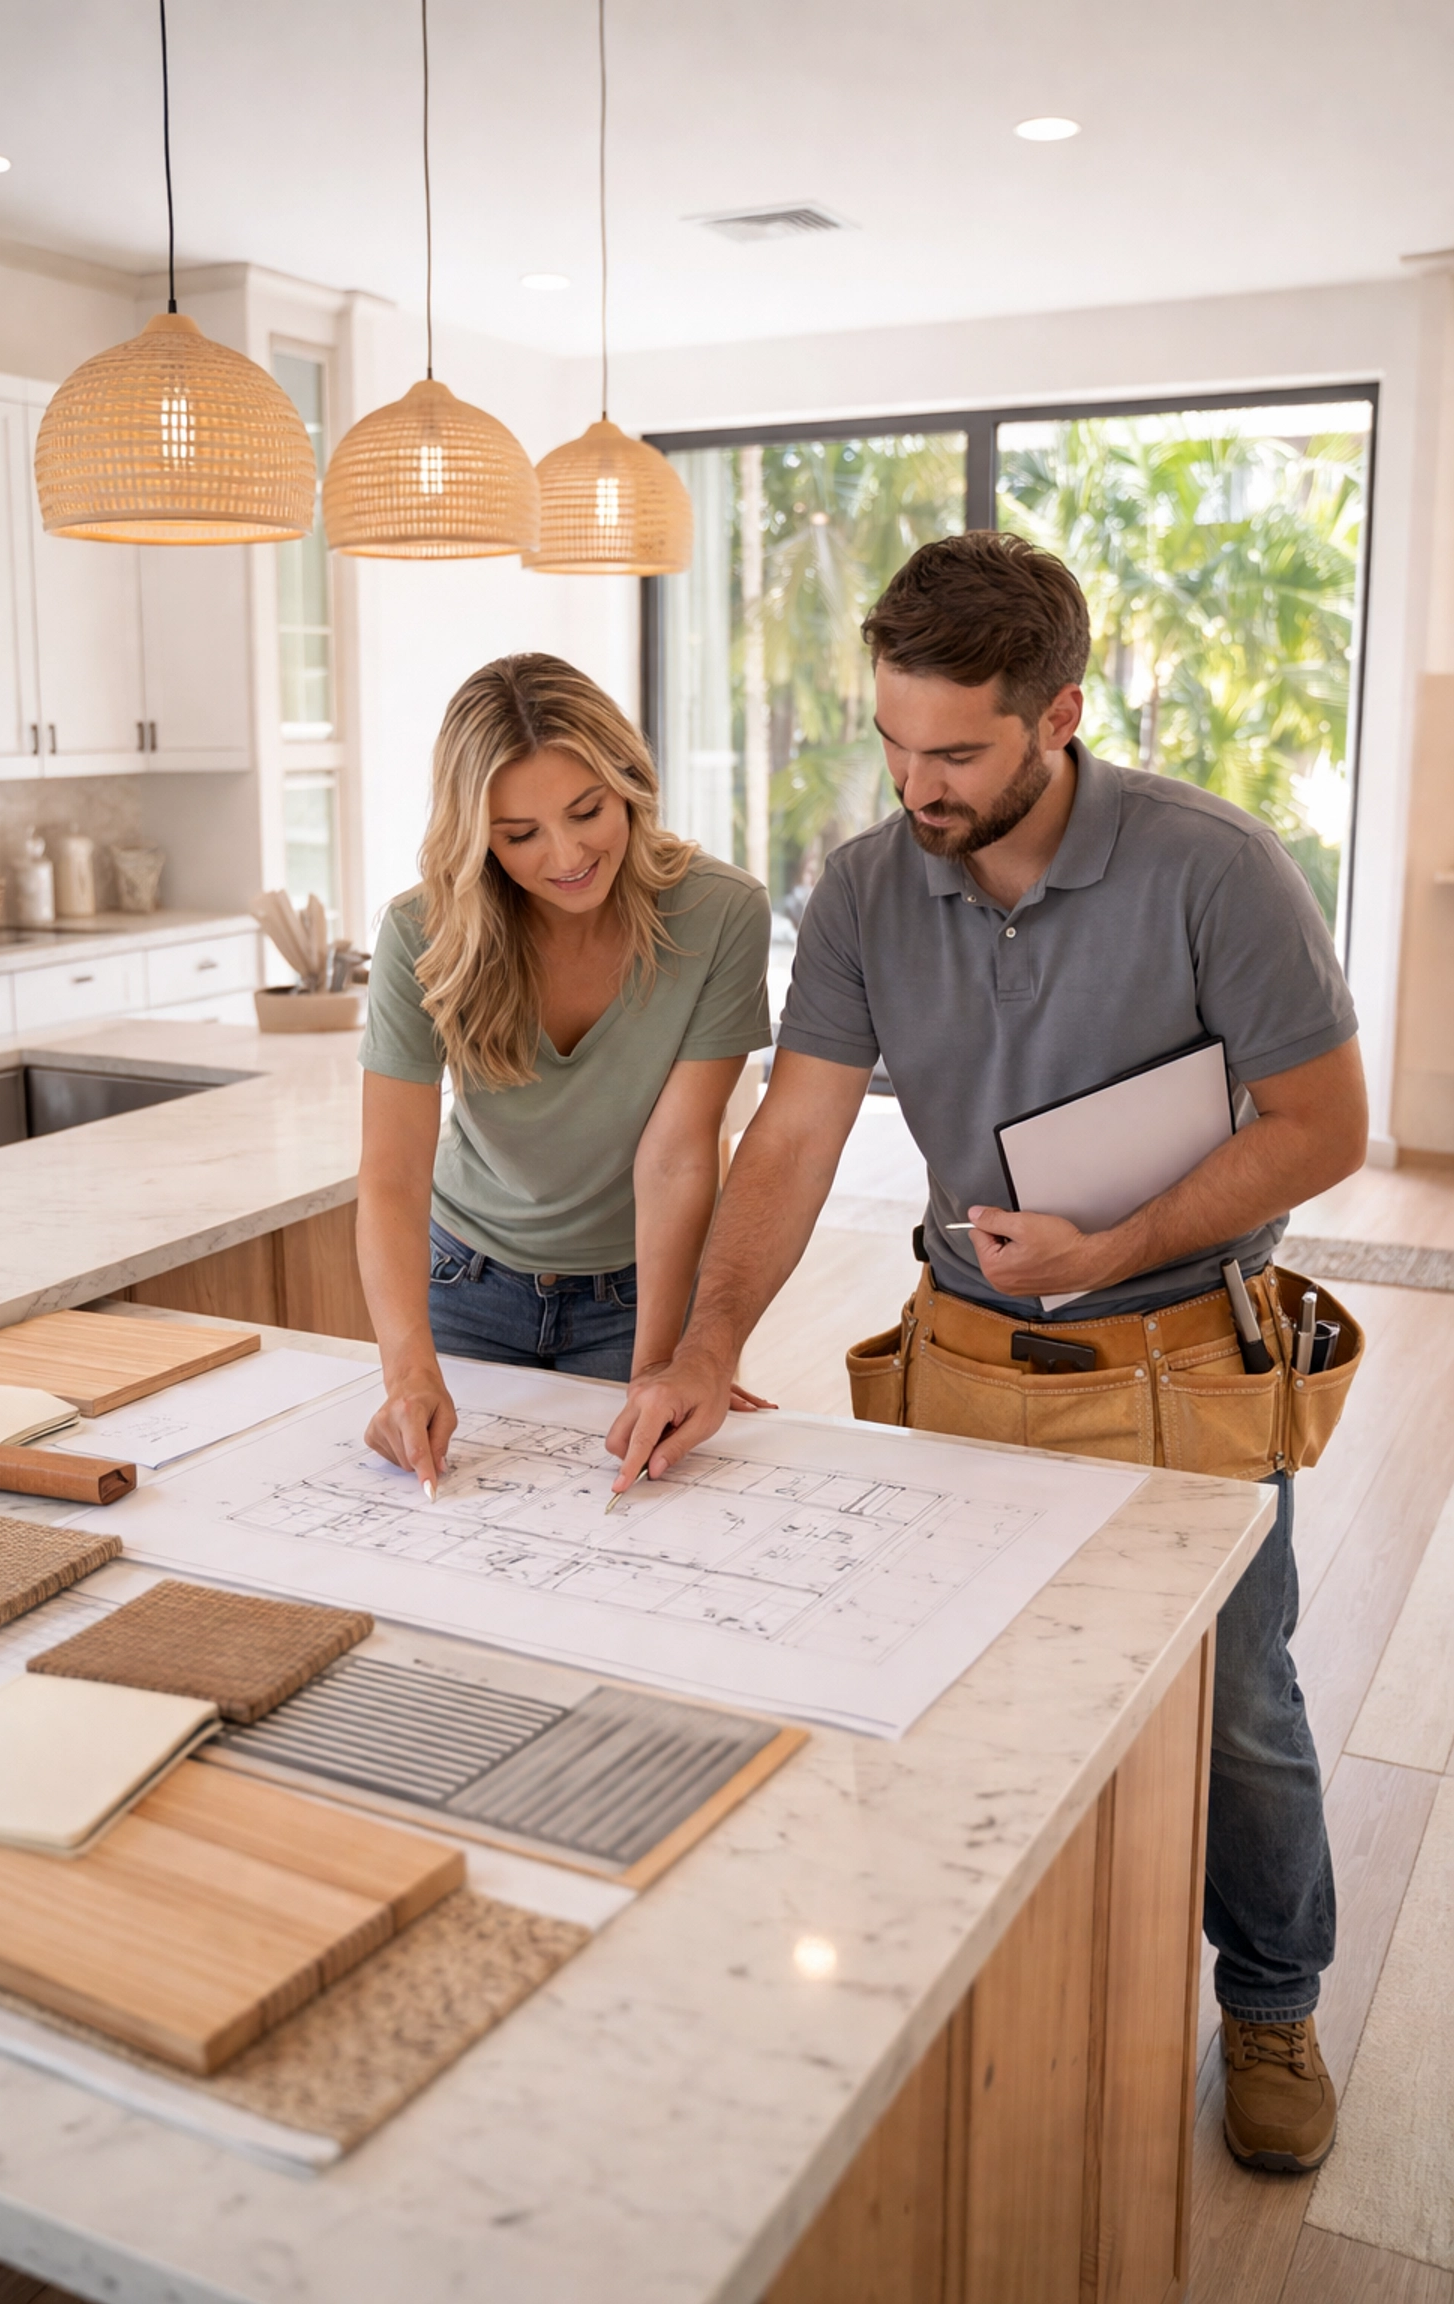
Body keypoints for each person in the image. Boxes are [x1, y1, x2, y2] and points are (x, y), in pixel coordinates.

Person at [608, 532, 1368, 2175]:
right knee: (945, 1684)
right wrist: (707, 1336)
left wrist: (1114, 1242)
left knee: (1237, 1703)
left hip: (1184, 1358)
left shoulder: (1215, 866)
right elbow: (796, 1133)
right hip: (961, 1360)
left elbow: (1326, 1125)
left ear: (1059, 712)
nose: (915, 780)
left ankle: (1272, 1997)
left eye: (952, 749)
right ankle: (976, 1984)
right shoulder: (872, 881)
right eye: (892, 739)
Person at [357, 651, 773, 1486]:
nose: (568, 853)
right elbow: (393, 1175)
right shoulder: (422, 934)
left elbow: (681, 1153)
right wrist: (407, 1370)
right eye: (520, 835)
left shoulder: (722, 913)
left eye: (588, 811)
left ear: (628, 781)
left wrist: (662, 1365)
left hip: (637, 1294)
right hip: (464, 1282)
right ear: (478, 838)